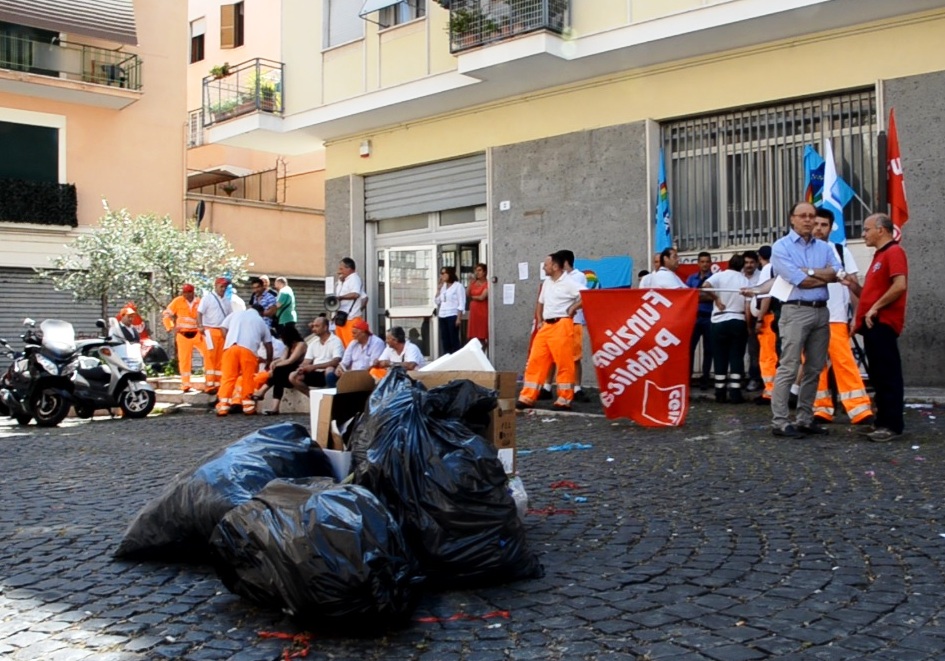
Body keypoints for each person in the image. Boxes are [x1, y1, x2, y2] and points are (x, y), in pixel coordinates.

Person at [767, 201, 843, 438]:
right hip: (795, 310)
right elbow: (798, 280)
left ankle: (805, 418)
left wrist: (807, 271)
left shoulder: (825, 247)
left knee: (815, 368)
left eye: (812, 216)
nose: (809, 220)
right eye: (803, 216)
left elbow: (837, 273)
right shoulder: (781, 247)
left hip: (821, 311)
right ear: (792, 219)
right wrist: (819, 275)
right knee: (789, 367)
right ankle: (779, 421)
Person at [847, 213, 908, 442]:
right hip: (872, 324)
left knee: (888, 375)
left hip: (883, 323)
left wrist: (875, 308)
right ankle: (882, 421)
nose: (863, 234)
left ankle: (891, 425)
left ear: (880, 230)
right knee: (879, 376)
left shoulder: (894, 252)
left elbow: (899, 285)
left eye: (866, 229)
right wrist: (855, 287)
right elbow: (871, 296)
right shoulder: (879, 256)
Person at [810, 208, 874, 427]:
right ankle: (821, 407)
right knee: (814, 365)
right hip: (810, 316)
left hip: (836, 317)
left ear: (831, 227)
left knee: (844, 362)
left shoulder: (840, 250)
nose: (819, 228)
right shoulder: (802, 251)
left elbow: (852, 284)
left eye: (824, 225)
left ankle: (859, 409)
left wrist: (857, 315)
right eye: (816, 224)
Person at [516, 252, 584, 412]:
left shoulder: (569, 283)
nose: (543, 267)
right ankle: (527, 397)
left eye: (546, 264)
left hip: (562, 324)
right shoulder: (547, 282)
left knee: (564, 363)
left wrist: (573, 308)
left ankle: (564, 399)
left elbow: (586, 295)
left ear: (555, 266)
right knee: (535, 360)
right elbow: (540, 302)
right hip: (546, 326)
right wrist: (539, 320)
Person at [539, 250, 591, 402]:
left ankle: (576, 388)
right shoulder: (552, 281)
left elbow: (582, 295)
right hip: (554, 322)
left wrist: (573, 308)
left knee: (574, 357)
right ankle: (548, 386)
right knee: (552, 356)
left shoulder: (577, 277)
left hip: (573, 322)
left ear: (563, 263)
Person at [701, 254, 750, 403]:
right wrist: (749, 327)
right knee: (736, 356)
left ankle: (720, 392)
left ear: (729, 264)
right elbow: (748, 306)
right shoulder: (744, 280)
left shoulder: (719, 276)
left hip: (719, 320)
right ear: (741, 266)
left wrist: (716, 299)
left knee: (719, 356)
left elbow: (704, 286)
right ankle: (735, 392)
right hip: (738, 319)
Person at [215, 305, 272, 416]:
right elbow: (268, 344)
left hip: (230, 348)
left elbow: (222, 328)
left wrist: (228, 339)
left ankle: (223, 407)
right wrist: (269, 361)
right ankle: (248, 407)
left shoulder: (235, 314)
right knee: (248, 378)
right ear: (260, 312)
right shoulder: (260, 321)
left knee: (228, 378)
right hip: (248, 350)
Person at [253, 324, 307, 416]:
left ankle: (262, 392)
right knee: (278, 375)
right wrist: (274, 363)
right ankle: (274, 407)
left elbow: (291, 361)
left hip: (296, 371)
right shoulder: (288, 347)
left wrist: (276, 367)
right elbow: (283, 359)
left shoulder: (301, 345)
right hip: (284, 374)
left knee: (278, 372)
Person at [162, 283, 205, 392]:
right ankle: (186, 384)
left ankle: (210, 381)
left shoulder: (199, 302)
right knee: (184, 360)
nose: (186, 294)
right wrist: (170, 326)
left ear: (193, 292)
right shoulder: (177, 301)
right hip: (183, 335)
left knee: (208, 354)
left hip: (197, 334)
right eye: (184, 292)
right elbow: (167, 314)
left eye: (188, 292)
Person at [196, 277, 234, 395]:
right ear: (216, 286)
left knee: (220, 359)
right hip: (209, 331)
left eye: (225, 287)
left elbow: (230, 317)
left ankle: (218, 383)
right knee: (210, 358)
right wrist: (200, 326)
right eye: (221, 286)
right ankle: (209, 385)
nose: (223, 289)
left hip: (222, 331)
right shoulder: (207, 298)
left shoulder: (227, 301)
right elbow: (199, 312)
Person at [751, 245, 778, 404]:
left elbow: (766, 296)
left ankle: (770, 391)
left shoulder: (768, 270)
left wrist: (760, 319)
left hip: (768, 318)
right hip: (771, 317)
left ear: (760, 257)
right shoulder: (774, 268)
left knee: (767, 357)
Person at [289, 317, 344, 394]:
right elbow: (306, 361)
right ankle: (312, 398)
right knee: (293, 376)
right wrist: (302, 368)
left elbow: (336, 362)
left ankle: (334, 399)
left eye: (317, 326)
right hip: (315, 373)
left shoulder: (336, 341)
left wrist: (314, 366)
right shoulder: (313, 343)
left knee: (329, 369)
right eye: (313, 326)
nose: (314, 328)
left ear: (325, 327)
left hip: (329, 373)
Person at [686, 251, 715, 390]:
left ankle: (705, 379)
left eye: (707, 262)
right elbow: (686, 297)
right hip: (694, 317)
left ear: (710, 263)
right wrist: (704, 296)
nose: (704, 264)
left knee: (709, 350)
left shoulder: (715, 278)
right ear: (698, 263)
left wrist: (698, 296)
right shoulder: (691, 279)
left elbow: (714, 297)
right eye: (702, 262)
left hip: (709, 317)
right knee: (690, 349)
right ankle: (688, 378)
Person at [741, 250, 763, 392]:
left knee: (754, 351)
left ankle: (755, 378)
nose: (749, 265)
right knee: (738, 352)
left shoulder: (761, 277)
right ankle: (740, 378)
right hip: (737, 316)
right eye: (746, 262)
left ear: (756, 263)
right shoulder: (737, 276)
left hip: (754, 318)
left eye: (751, 262)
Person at [333, 258, 364, 348]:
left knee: (351, 345)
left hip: (351, 318)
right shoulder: (344, 280)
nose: (339, 271)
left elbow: (355, 294)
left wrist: (341, 298)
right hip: (342, 317)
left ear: (349, 268)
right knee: (341, 345)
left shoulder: (354, 278)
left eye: (341, 269)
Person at [435, 265, 466, 355]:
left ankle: (456, 357)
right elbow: (437, 301)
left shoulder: (458, 286)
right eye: (441, 274)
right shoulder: (443, 287)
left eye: (444, 273)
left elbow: (461, 302)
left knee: (453, 339)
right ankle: (447, 356)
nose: (442, 276)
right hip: (442, 315)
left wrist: (459, 318)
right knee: (445, 339)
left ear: (450, 274)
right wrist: (438, 289)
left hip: (452, 315)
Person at [466, 263, 489, 349]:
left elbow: (482, 297)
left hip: (482, 311)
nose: (477, 272)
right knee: (473, 336)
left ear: (484, 272)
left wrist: (473, 297)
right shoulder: (473, 283)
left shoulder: (487, 283)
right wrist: (469, 282)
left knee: (482, 335)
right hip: (474, 312)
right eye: (476, 270)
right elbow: (467, 293)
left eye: (479, 270)